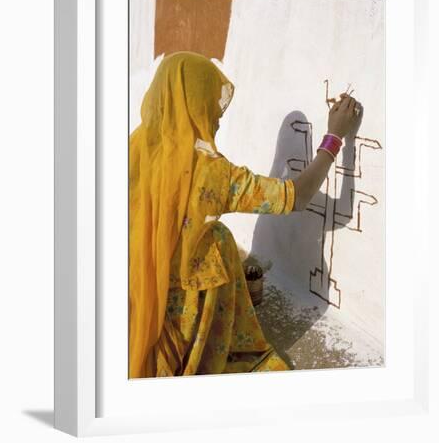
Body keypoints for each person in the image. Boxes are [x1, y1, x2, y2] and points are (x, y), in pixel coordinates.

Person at [129, 51, 360, 378]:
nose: (218, 117)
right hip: (180, 314)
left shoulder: (134, 147)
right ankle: (204, 338)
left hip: (137, 296)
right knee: (220, 241)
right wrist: (335, 138)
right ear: (193, 101)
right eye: (211, 101)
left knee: (218, 236)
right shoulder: (210, 172)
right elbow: (295, 196)